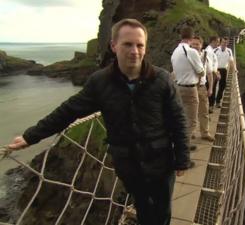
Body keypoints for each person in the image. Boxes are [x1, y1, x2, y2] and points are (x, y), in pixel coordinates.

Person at [7, 19, 190, 225]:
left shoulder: (161, 79)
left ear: (145, 48)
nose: (134, 51)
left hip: (161, 160)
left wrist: (182, 158)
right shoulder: (100, 82)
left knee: (162, 209)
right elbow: (67, 112)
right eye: (127, 44)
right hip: (128, 165)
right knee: (142, 206)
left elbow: (178, 120)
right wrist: (30, 137)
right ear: (114, 46)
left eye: (139, 45)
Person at [171, 26, 204, 154]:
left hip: (178, 87)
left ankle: (184, 145)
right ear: (191, 37)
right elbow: (201, 71)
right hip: (190, 90)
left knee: (182, 119)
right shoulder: (191, 52)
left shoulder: (175, 52)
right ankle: (182, 152)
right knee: (191, 121)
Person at [190, 36, 215, 142]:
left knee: (204, 110)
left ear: (201, 45)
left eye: (197, 44)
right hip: (190, 87)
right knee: (190, 112)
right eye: (193, 44)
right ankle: (190, 133)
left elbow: (209, 73)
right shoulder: (188, 55)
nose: (195, 46)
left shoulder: (205, 56)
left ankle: (205, 133)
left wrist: (211, 88)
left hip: (201, 87)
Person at [214, 37, 237, 108]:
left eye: (226, 43)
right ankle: (211, 103)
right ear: (220, 42)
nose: (225, 44)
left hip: (224, 70)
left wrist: (235, 69)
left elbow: (232, 61)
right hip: (215, 69)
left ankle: (218, 101)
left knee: (222, 86)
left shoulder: (229, 51)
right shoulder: (215, 50)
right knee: (213, 86)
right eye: (224, 42)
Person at [205, 36, 220, 113]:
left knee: (212, 89)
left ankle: (210, 106)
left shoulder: (211, 50)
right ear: (213, 41)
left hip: (213, 73)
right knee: (211, 89)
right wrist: (216, 73)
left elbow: (213, 64)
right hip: (210, 74)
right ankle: (209, 107)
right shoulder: (209, 51)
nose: (218, 43)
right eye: (217, 41)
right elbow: (209, 66)